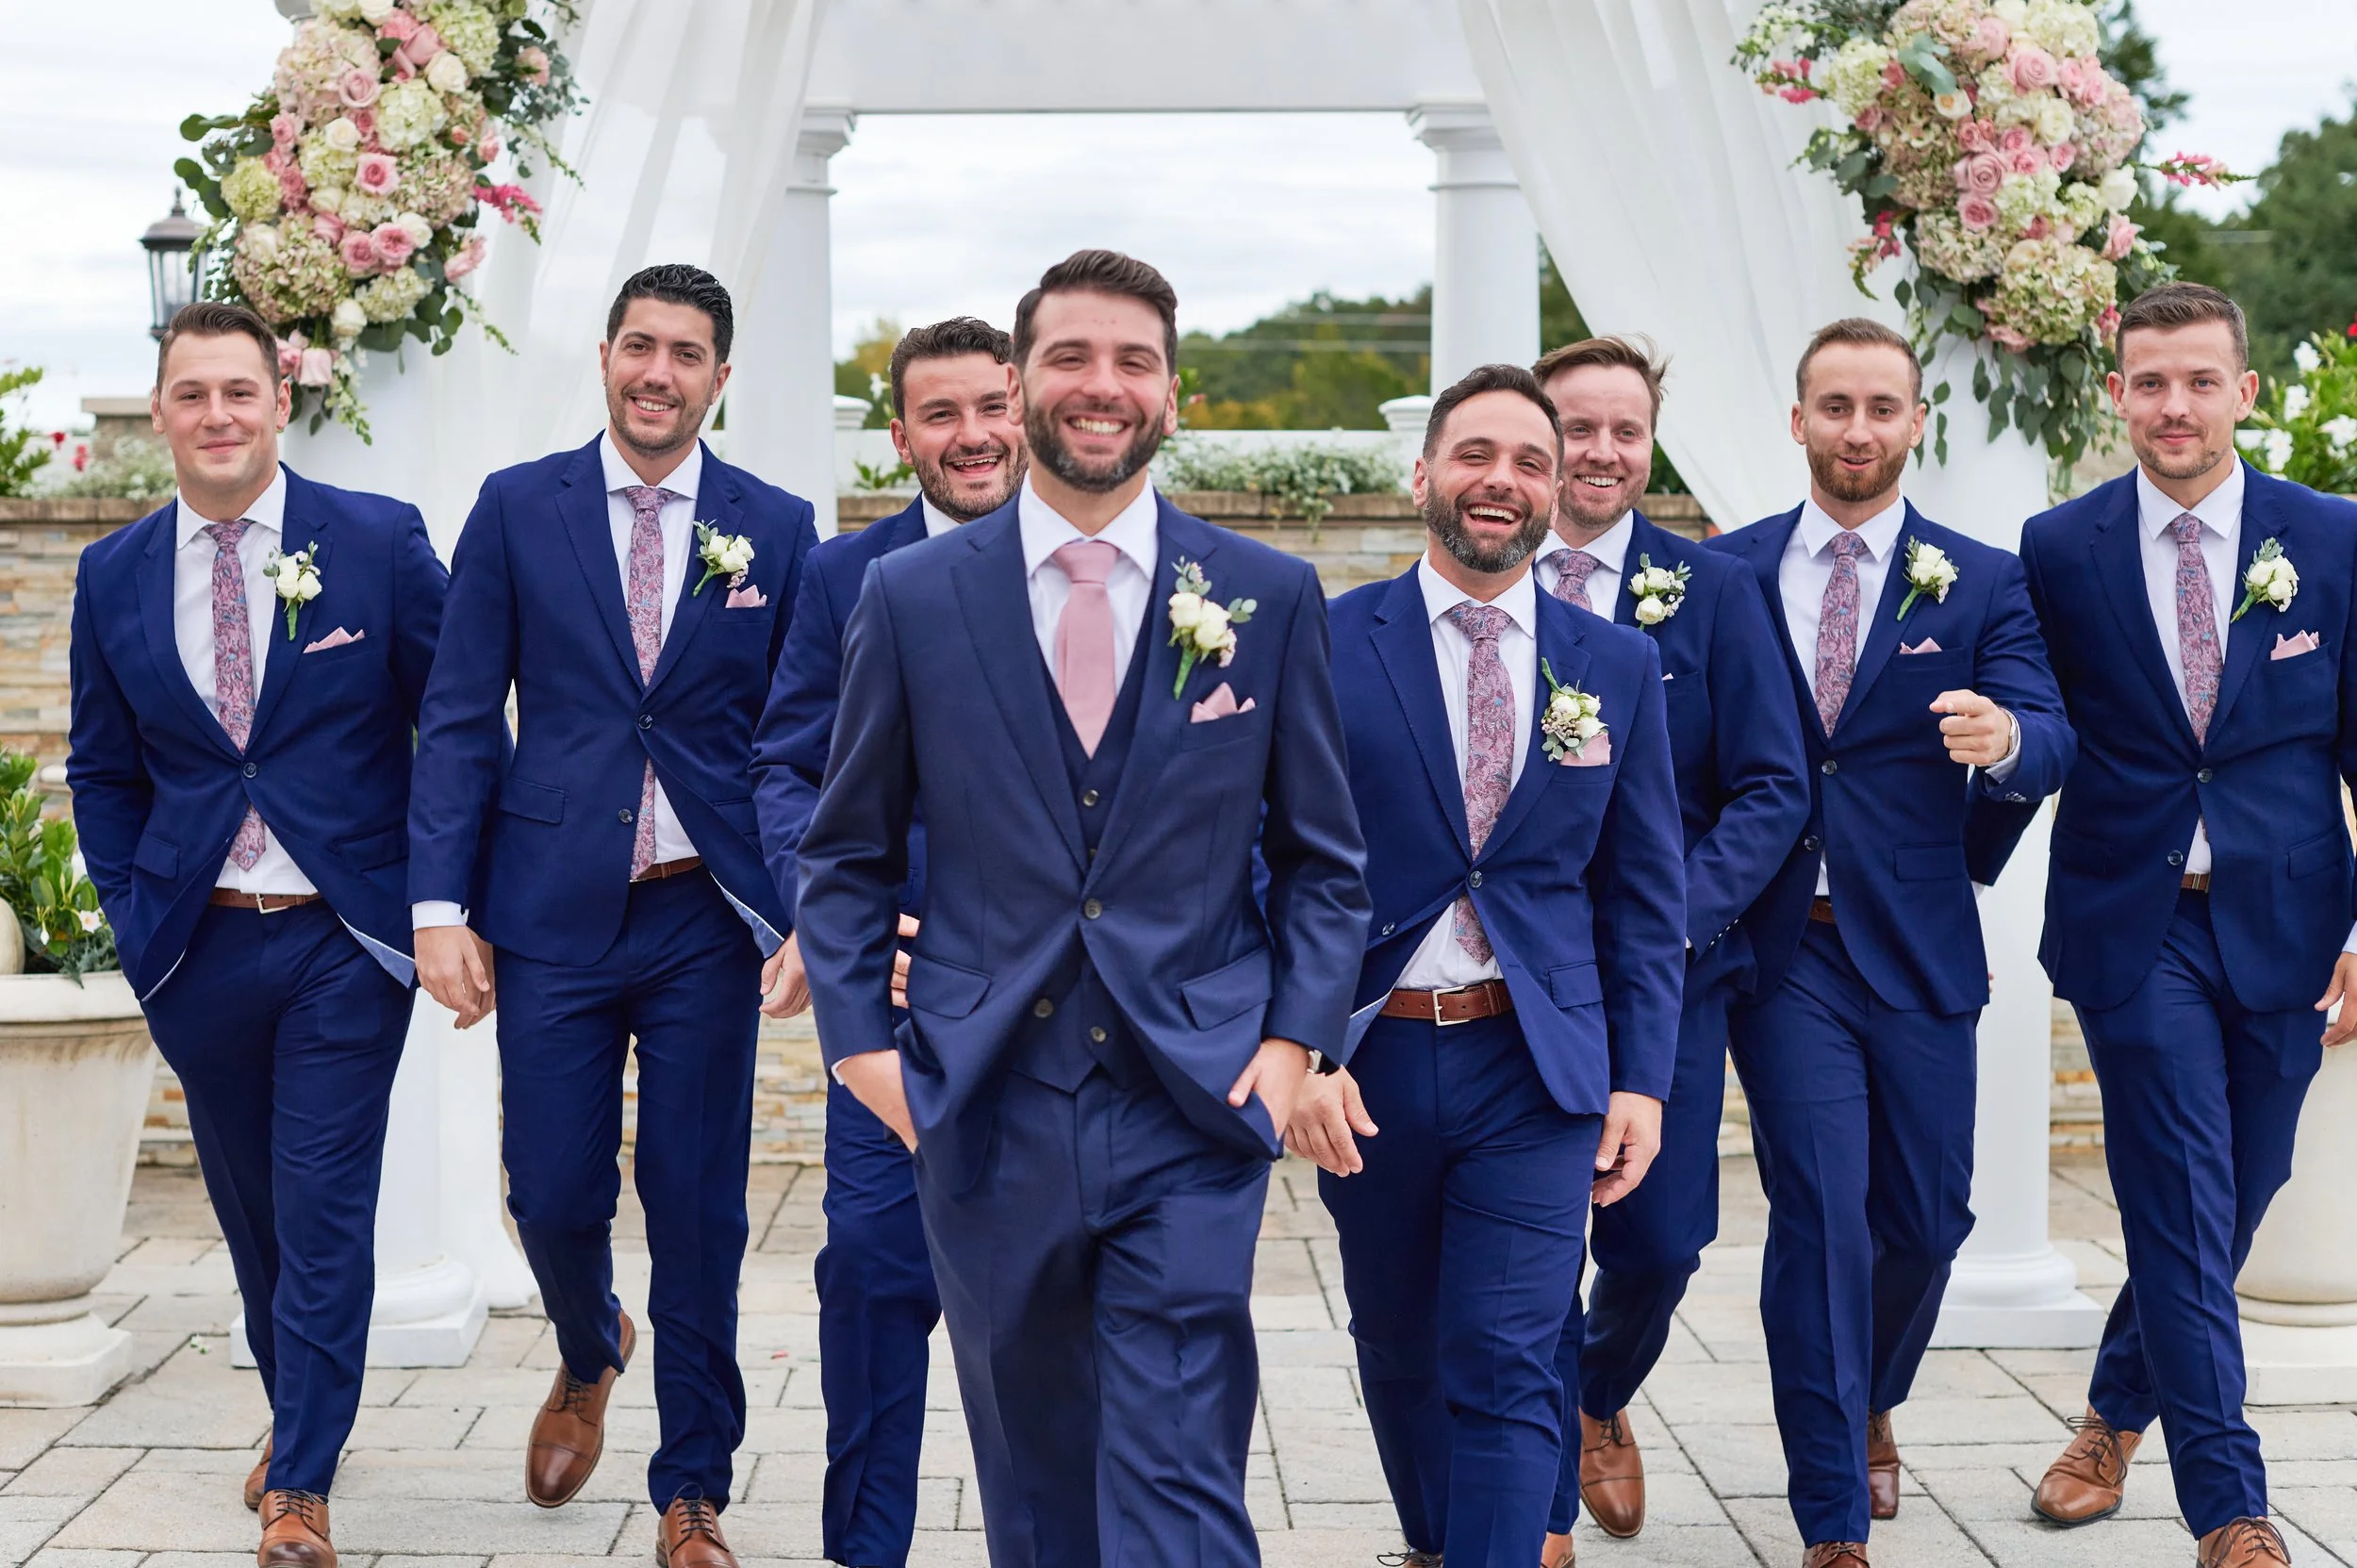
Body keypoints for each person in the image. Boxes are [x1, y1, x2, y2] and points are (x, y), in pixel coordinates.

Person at [794, 249, 1369, 1568]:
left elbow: (1329, 857)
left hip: (1196, 1097)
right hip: (985, 1102)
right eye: (1070, 356)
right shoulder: (914, 595)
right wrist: (871, 1061)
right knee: (1039, 1480)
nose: (1101, 385)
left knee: (1176, 1469)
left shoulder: (1267, 598)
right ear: (1020, 379)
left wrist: (1286, 1052)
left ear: (1175, 393)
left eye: (1133, 361)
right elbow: (845, 854)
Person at [407, 264, 816, 1568]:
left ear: (720, 377)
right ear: (603, 357)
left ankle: (692, 1486)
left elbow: (802, 736)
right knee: (554, 1184)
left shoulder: (779, 524)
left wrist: (806, 906)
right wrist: (438, 905)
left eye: (686, 352)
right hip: (550, 911)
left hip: (705, 913)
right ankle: (591, 1344)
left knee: (696, 1205)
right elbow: (464, 715)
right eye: (639, 345)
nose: (658, 371)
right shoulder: (521, 508)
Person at [1284, 363, 1686, 1568]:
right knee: (1401, 1342)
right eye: (1475, 454)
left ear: (1559, 491)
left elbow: (1642, 890)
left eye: (1529, 461)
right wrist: (1300, 1048)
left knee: (1512, 1350)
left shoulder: (1609, 665)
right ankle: (1437, 1541)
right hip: (1374, 1056)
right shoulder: (1328, 639)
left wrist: (1642, 1079)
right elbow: (1273, 864)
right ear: (1423, 472)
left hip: (1537, 1057)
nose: (1499, 480)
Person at [68, 299, 450, 1568]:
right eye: (193, 394)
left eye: (241, 391)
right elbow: (105, 770)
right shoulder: (112, 571)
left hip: (346, 936)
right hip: (197, 944)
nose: (218, 415)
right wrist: (134, 921)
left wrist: (448, 903)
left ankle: (300, 1484)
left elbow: (450, 729)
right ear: (165, 410)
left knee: (325, 1205)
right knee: (254, 1213)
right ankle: (299, 1410)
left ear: (284, 401)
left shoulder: (379, 541)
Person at [1991, 283, 2357, 1568]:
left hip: (2290, 923)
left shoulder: (2334, 536)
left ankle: (2109, 1410)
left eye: (2200, 380)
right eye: (2150, 381)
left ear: (2243, 393)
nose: (2174, 406)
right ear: (2118, 394)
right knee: (2183, 1195)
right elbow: (2046, 723)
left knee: (2234, 1194)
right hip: (2131, 919)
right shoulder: (2059, 546)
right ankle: (2231, 1505)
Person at [1703, 319, 2074, 1568]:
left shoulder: (1983, 579)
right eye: (1834, 405)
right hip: (1780, 947)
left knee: (1927, 1216)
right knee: (1819, 1209)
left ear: (1917, 422)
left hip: (1916, 939)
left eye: (1881, 407)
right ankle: (1831, 1515)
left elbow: (2054, 735)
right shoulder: (1725, 573)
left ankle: (1867, 1390)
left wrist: (2005, 741)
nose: (1857, 429)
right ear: (1797, 419)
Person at [1527, 338, 1812, 1556]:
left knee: (1660, 1238)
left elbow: (1770, 784)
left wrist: (1672, 918)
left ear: (1651, 444)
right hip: (1513, 975)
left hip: (1669, 974)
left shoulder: (1713, 590)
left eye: (1623, 431)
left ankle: (1597, 1390)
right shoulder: (1478, 576)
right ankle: (1532, 1499)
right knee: (1526, 1239)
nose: (1600, 453)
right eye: (1575, 428)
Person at [750, 316, 1027, 1568]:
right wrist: (839, 922)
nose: (970, 434)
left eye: (990, 405)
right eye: (941, 413)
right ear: (903, 431)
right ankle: (866, 1548)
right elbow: (788, 763)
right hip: (900, 1006)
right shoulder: (843, 576)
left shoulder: (1121, 570)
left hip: (1072, 1005)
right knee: (871, 1271)